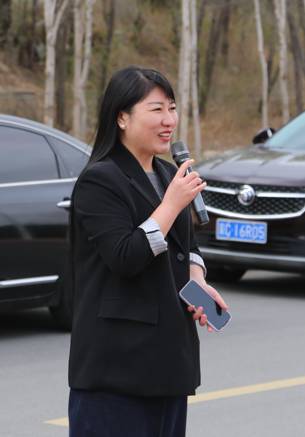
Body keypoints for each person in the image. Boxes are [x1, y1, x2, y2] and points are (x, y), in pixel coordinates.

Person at [67, 65, 228, 437]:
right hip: (116, 372)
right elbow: (124, 257)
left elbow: (187, 246)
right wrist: (171, 204)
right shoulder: (99, 180)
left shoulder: (169, 175)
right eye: (156, 110)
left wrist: (197, 279)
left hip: (169, 366)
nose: (169, 120)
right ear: (122, 117)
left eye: (172, 108)